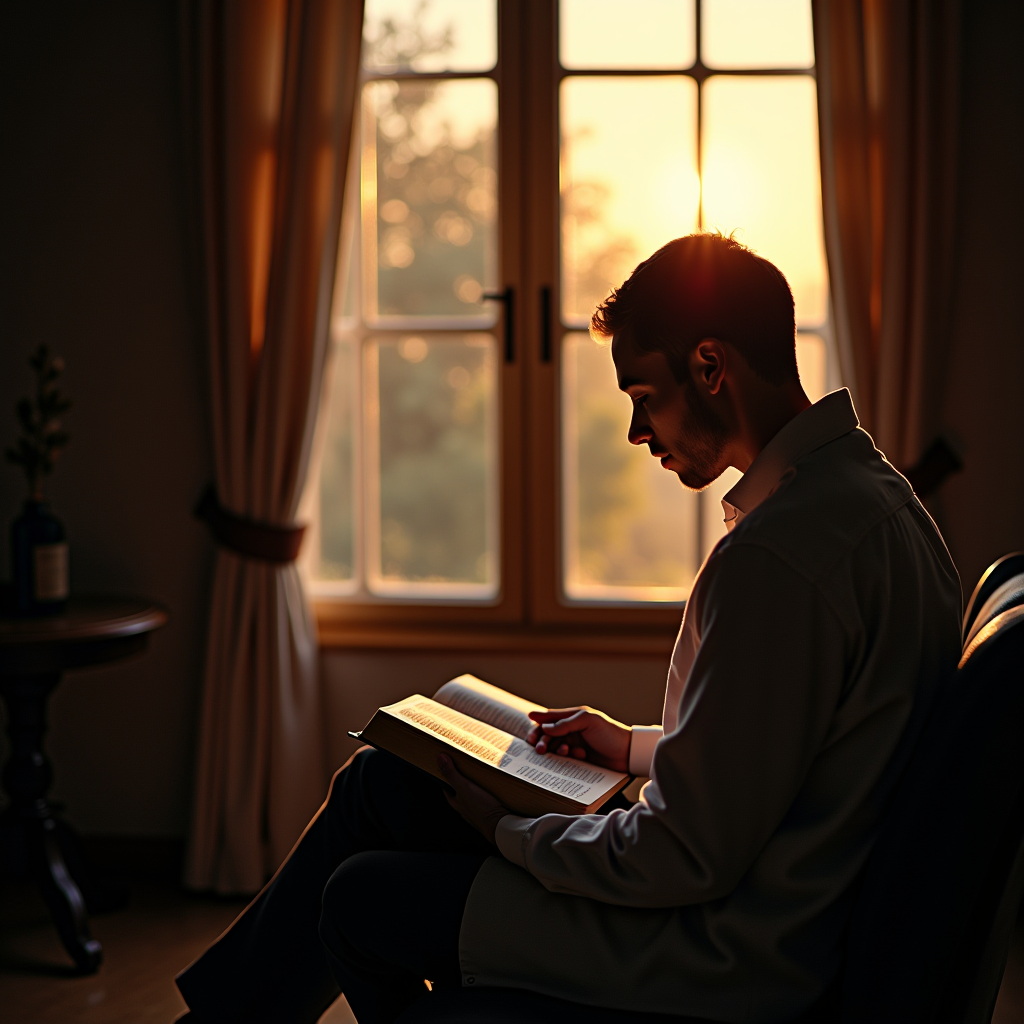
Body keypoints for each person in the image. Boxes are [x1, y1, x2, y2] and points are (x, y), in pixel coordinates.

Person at [175, 234, 962, 1024]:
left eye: (643, 395)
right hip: (765, 904)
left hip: (721, 952)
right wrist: (631, 747)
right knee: (384, 783)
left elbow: (684, 854)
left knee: (358, 899)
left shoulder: (777, 559)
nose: (635, 430)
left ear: (711, 366)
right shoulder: (879, 504)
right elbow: (793, 744)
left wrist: (516, 828)